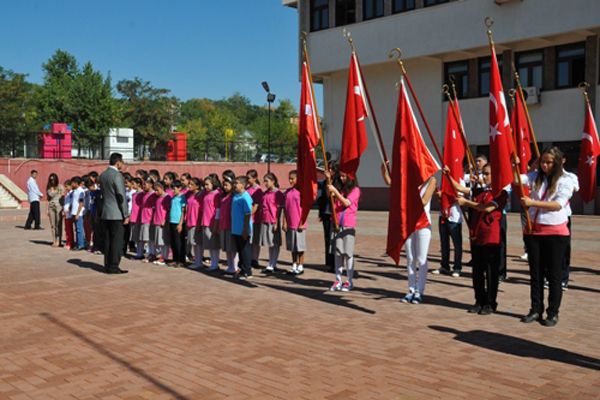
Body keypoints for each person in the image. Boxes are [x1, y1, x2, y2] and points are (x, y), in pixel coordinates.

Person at [519, 147, 574, 327]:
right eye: (542, 161)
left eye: (549, 162)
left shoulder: (567, 179)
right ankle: (535, 309)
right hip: (534, 231)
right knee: (536, 274)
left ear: (557, 162)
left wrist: (532, 202)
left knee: (554, 275)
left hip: (555, 233)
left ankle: (553, 312)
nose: (545, 165)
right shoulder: (535, 176)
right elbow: (515, 180)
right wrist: (518, 166)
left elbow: (558, 204)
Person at [448, 164, 508, 315]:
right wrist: (448, 175)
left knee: (491, 271)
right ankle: (479, 300)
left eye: (488, 174)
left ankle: (490, 302)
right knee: (477, 271)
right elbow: (460, 189)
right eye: (484, 174)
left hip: (491, 237)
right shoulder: (478, 190)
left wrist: (467, 203)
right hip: (477, 235)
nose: (485, 176)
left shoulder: (501, 193)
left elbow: (487, 208)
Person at [327, 171, 360, 292]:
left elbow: (346, 203)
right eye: (340, 176)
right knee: (338, 253)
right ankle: (338, 279)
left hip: (348, 225)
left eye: (344, 176)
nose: (342, 178)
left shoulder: (355, 190)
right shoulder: (340, 189)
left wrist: (335, 191)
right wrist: (328, 180)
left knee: (348, 253)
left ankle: (349, 280)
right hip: (337, 224)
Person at [98, 153, 130, 274]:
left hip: (106, 212)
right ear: (118, 162)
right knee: (116, 240)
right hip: (116, 213)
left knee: (107, 240)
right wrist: (125, 214)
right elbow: (121, 195)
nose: (122, 164)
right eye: (122, 162)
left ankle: (107, 264)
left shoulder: (103, 175)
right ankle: (114, 265)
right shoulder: (117, 176)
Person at [560, 154, 579, 290]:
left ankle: (563, 278)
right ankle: (549, 276)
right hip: (544, 219)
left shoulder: (570, 177)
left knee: (564, 249)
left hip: (563, 217)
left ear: (563, 160)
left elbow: (572, 190)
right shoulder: (541, 177)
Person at [282, 170, 307, 275]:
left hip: (299, 224)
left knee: (300, 246)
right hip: (290, 223)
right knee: (293, 247)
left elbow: (305, 208)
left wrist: (302, 222)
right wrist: (284, 221)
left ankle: (301, 266)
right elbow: (285, 208)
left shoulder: (302, 192)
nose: (290, 180)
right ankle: (294, 265)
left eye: (293, 178)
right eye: (290, 178)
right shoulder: (287, 192)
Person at [231, 175, 254, 280]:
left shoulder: (246, 197)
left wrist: (245, 229)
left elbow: (247, 214)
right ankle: (242, 268)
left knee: (245, 250)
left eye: (237, 183)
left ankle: (248, 271)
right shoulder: (235, 196)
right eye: (234, 183)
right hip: (235, 228)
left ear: (243, 185)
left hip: (243, 229)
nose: (234, 185)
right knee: (240, 250)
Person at [317, 161, 338, 272]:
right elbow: (322, 198)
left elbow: (333, 196)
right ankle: (329, 262)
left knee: (334, 238)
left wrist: (330, 181)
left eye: (331, 169)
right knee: (327, 238)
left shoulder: (337, 182)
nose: (328, 171)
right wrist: (320, 213)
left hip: (335, 213)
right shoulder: (324, 182)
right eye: (327, 169)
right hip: (326, 213)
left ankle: (336, 262)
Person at [198, 174, 221, 271]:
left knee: (214, 245)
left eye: (207, 184)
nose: (205, 187)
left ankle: (215, 263)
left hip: (212, 223)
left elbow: (218, 210)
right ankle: (213, 263)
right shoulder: (206, 194)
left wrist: (216, 223)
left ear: (213, 184)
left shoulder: (216, 194)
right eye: (204, 185)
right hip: (205, 222)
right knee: (210, 245)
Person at [218, 172, 238, 274]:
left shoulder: (234, 197)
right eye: (224, 185)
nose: (225, 187)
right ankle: (230, 266)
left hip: (231, 225)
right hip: (223, 224)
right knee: (227, 247)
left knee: (233, 248)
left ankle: (234, 266)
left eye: (227, 185)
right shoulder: (223, 197)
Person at [246, 169, 263, 268]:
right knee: (249, 240)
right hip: (248, 218)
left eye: (249, 178)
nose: (248, 180)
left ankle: (255, 259)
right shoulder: (247, 189)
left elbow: (255, 206)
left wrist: (248, 215)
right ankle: (249, 257)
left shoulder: (258, 190)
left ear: (255, 178)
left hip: (255, 219)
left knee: (255, 240)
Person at [152, 181, 171, 266]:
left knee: (163, 241)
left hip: (162, 222)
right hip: (157, 220)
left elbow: (168, 210)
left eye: (157, 190)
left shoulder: (167, 197)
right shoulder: (157, 198)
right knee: (158, 240)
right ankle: (159, 255)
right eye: (155, 190)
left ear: (162, 188)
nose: (156, 192)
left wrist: (165, 220)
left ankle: (165, 257)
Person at [168, 180, 187, 268]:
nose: (173, 190)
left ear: (179, 188)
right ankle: (175, 259)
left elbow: (183, 211)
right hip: (172, 221)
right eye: (172, 188)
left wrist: (180, 223)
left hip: (178, 222)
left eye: (174, 188)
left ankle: (181, 260)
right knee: (173, 242)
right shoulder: (173, 198)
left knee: (179, 242)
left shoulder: (182, 197)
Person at [139, 178, 157, 262]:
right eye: (143, 184)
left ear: (150, 184)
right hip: (144, 218)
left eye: (145, 184)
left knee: (151, 238)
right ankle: (149, 253)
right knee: (146, 238)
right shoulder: (144, 194)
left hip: (150, 219)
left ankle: (152, 254)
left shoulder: (153, 194)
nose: (143, 186)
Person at [46, 173, 63, 247]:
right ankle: (54, 240)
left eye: (53, 179)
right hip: (51, 206)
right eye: (51, 179)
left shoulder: (60, 186)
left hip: (59, 206)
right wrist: (47, 209)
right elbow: (48, 199)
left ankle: (59, 240)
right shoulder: (49, 188)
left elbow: (62, 197)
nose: (52, 181)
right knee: (52, 225)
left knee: (58, 224)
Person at [70, 177, 86, 251]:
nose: (71, 184)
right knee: (77, 229)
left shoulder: (80, 191)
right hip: (74, 212)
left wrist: (77, 213)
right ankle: (78, 243)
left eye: (72, 183)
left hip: (78, 213)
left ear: (76, 183)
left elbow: (81, 203)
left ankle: (81, 245)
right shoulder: (74, 191)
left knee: (79, 229)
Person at [63, 180, 74, 250]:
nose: (66, 188)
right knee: (67, 229)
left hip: (69, 214)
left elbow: (71, 203)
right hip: (66, 213)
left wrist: (68, 210)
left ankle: (70, 243)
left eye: (66, 186)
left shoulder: (72, 194)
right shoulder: (67, 194)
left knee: (69, 230)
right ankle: (68, 242)